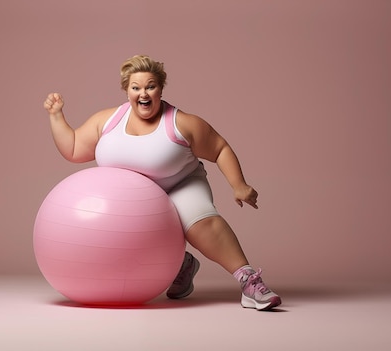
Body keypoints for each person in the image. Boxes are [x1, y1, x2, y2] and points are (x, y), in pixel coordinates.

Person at [43, 54, 281, 311]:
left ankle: (248, 281)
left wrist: (239, 185)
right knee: (122, 234)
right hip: (129, 201)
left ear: (160, 88)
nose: (143, 93)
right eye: (136, 87)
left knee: (198, 221)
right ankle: (182, 264)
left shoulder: (181, 123)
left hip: (179, 185)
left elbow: (219, 148)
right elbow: (75, 148)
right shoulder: (108, 121)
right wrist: (57, 116)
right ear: (127, 91)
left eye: (150, 86)